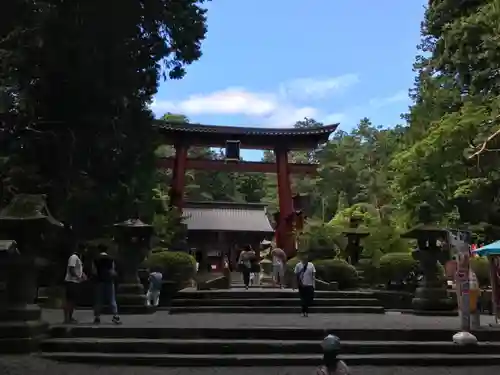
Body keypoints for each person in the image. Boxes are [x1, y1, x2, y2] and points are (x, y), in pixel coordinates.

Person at [92, 245, 121, 325]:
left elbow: (94, 271)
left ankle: (97, 317)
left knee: (98, 300)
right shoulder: (111, 259)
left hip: (99, 281)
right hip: (109, 281)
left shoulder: (96, 259)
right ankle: (115, 316)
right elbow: (112, 270)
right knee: (112, 299)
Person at [63, 245, 86, 324]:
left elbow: (78, 269)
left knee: (73, 301)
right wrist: (77, 277)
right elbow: (71, 269)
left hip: (75, 282)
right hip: (71, 281)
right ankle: (66, 318)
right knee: (69, 300)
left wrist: (82, 275)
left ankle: (70, 317)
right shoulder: (73, 257)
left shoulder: (79, 258)